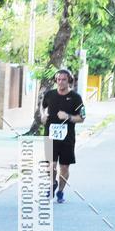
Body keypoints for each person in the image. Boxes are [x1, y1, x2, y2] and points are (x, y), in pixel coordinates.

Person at [41, 68, 86, 203]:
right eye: (58, 79)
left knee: (64, 167)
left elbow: (82, 117)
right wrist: (43, 115)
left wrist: (68, 116)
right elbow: (42, 107)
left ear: (69, 81)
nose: (60, 82)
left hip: (67, 137)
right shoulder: (50, 95)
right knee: (51, 165)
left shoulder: (75, 97)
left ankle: (60, 191)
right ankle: (52, 184)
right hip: (50, 134)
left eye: (63, 80)